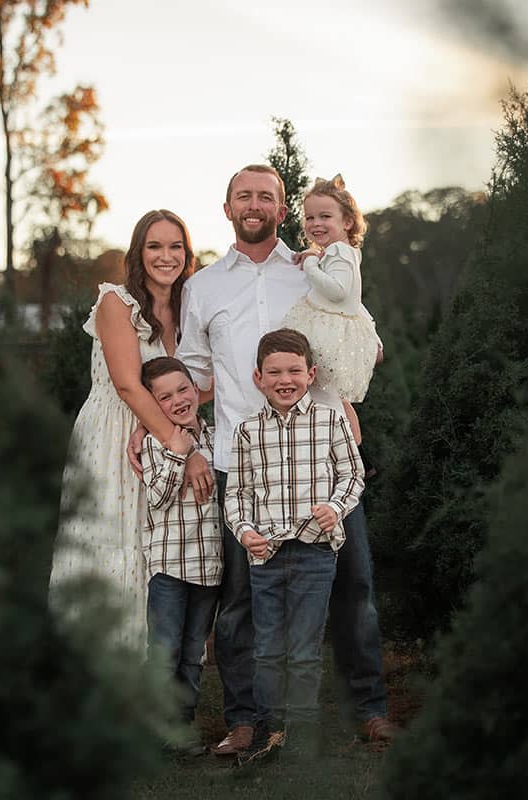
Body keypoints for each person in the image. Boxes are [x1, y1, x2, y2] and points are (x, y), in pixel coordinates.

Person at [169, 164, 397, 753]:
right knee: (243, 599)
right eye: (243, 196)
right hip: (242, 462)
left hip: (322, 461)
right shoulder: (204, 287)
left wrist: (344, 391)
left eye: (266, 197)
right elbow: (194, 377)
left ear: (281, 208)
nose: (254, 205)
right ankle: (247, 719)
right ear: (226, 208)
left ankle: (368, 709)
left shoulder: (312, 270)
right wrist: (163, 432)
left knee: (354, 586)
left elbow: (362, 336)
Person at [49, 210, 213, 652]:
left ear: (187, 253)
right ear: (138, 254)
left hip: (157, 435)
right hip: (112, 436)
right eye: (155, 246)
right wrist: (179, 443)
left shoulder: (188, 312)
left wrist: (166, 430)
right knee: (113, 542)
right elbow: (126, 382)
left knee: (158, 549)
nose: (166, 256)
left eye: (175, 246)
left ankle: (153, 674)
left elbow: (201, 385)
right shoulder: (116, 303)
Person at [226, 329, 364, 764]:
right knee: (267, 646)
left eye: (294, 371)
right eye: (274, 372)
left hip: (315, 551)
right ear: (258, 377)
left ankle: (302, 731)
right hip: (265, 554)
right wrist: (244, 530)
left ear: (311, 373)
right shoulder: (247, 431)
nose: (285, 380)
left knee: (304, 649)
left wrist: (336, 507)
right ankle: (271, 729)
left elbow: (353, 475)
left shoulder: (330, 420)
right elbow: (238, 494)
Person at [138, 356, 223, 755]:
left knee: (193, 655)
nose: (178, 400)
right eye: (165, 396)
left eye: (183, 389)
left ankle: (182, 727)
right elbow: (156, 496)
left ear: (196, 389)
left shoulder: (214, 436)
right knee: (166, 650)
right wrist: (179, 452)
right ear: (153, 404)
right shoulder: (156, 442)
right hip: (171, 566)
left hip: (208, 568)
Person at [279, 174, 378, 444]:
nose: (316, 223)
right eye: (310, 218)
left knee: (326, 395)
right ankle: (354, 450)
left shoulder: (340, 252)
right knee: (333, 397)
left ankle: (350, 450)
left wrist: (310, 263)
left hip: (329, 334)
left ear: (347, 221)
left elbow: (338, 291)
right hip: (332, 328)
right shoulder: (339, 251)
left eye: (325, 217)